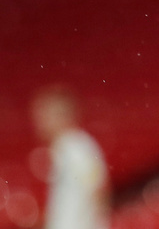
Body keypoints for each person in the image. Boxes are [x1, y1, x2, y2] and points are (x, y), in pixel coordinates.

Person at [31, 86, 110, 229]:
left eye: (44, 116)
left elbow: (98, 190)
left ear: (61, 116)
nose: (38, 122)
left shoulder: (75, 147)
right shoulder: (66, 147)